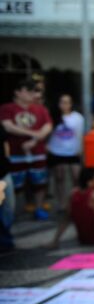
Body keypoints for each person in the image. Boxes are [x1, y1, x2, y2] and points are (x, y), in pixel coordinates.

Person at [0, 80, 52, 220]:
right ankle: (14, 212)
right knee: (15, 185)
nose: (31, 93)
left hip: (38, 153)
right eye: (27, 90)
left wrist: (34, 140)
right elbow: (8, 126)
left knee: (39, 183)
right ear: (17, 92)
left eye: (32, 90)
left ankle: (39, 208)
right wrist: (34, 134)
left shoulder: (40, 109)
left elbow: (48, 126)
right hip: (16, 153)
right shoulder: (7, 108)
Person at [47, 168, 94, 251]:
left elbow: (66, 219)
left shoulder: (74, 193)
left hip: (83, 239)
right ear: (90, 183)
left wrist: (55, 241)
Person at [47, 94, 85, 212]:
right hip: (57, 151)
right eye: (62, 102)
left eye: (67, 102)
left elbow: (80, 134)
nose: (65, 105)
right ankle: (62, 204)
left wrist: (81, 149)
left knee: (76, 177)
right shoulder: (52, 116)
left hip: (73, 151)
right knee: (59, 178)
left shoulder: (78, 117)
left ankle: (76, 202)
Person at [0, 124, 14, 251]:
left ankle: (6, 238)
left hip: (3, 172)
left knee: (8, 208)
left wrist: (7, 159)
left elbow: (5, 141)